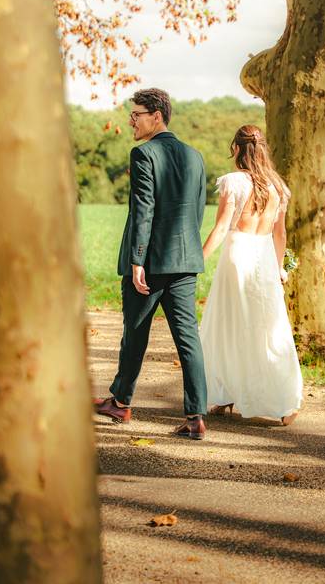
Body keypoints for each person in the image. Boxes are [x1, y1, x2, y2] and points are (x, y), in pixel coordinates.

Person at [94, 88, 208, 440]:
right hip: (185, 260)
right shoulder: (195, 156)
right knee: (188, 339)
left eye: (137, 114)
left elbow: (144, 209)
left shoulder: (144, 153)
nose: (131, 120)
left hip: (151, 263)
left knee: (135, 332)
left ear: (156, 116)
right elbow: (198, 210)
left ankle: (121, 402)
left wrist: (137, 260)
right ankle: (196, 416)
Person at [199, 124, 303, 423]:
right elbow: (280, 234)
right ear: (262, 150)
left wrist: (199, 260)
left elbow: (221, 228)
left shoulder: (233, 182)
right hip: (264, 256)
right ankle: (283, 403)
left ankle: (224, 393)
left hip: (237, 255)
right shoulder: (278, 187)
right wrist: (279, 267)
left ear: (236, 148)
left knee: (228, 326)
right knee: (269, 327)